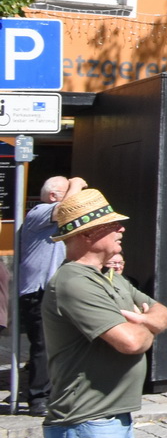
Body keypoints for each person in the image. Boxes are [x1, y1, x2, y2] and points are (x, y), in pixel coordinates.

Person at [41, 187, 167, 438]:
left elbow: (165, 314)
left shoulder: (109, 278)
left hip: (116, 417)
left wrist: (144, 322)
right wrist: (146, 326)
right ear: (88, 234)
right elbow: (130, 342)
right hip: (87, 422)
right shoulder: (74, 281)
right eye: (112, 225)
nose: (122, 229)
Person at [17, 174, 83, 416]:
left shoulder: (58, 219)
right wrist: (76, 182)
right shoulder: (40, 212)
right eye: (67, 191)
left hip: (56, 289)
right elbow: (68, 207)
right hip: (38, 290)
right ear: (55, 196)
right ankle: (38, 398)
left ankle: (57, 393)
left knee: (61, 343)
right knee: (43, 344)